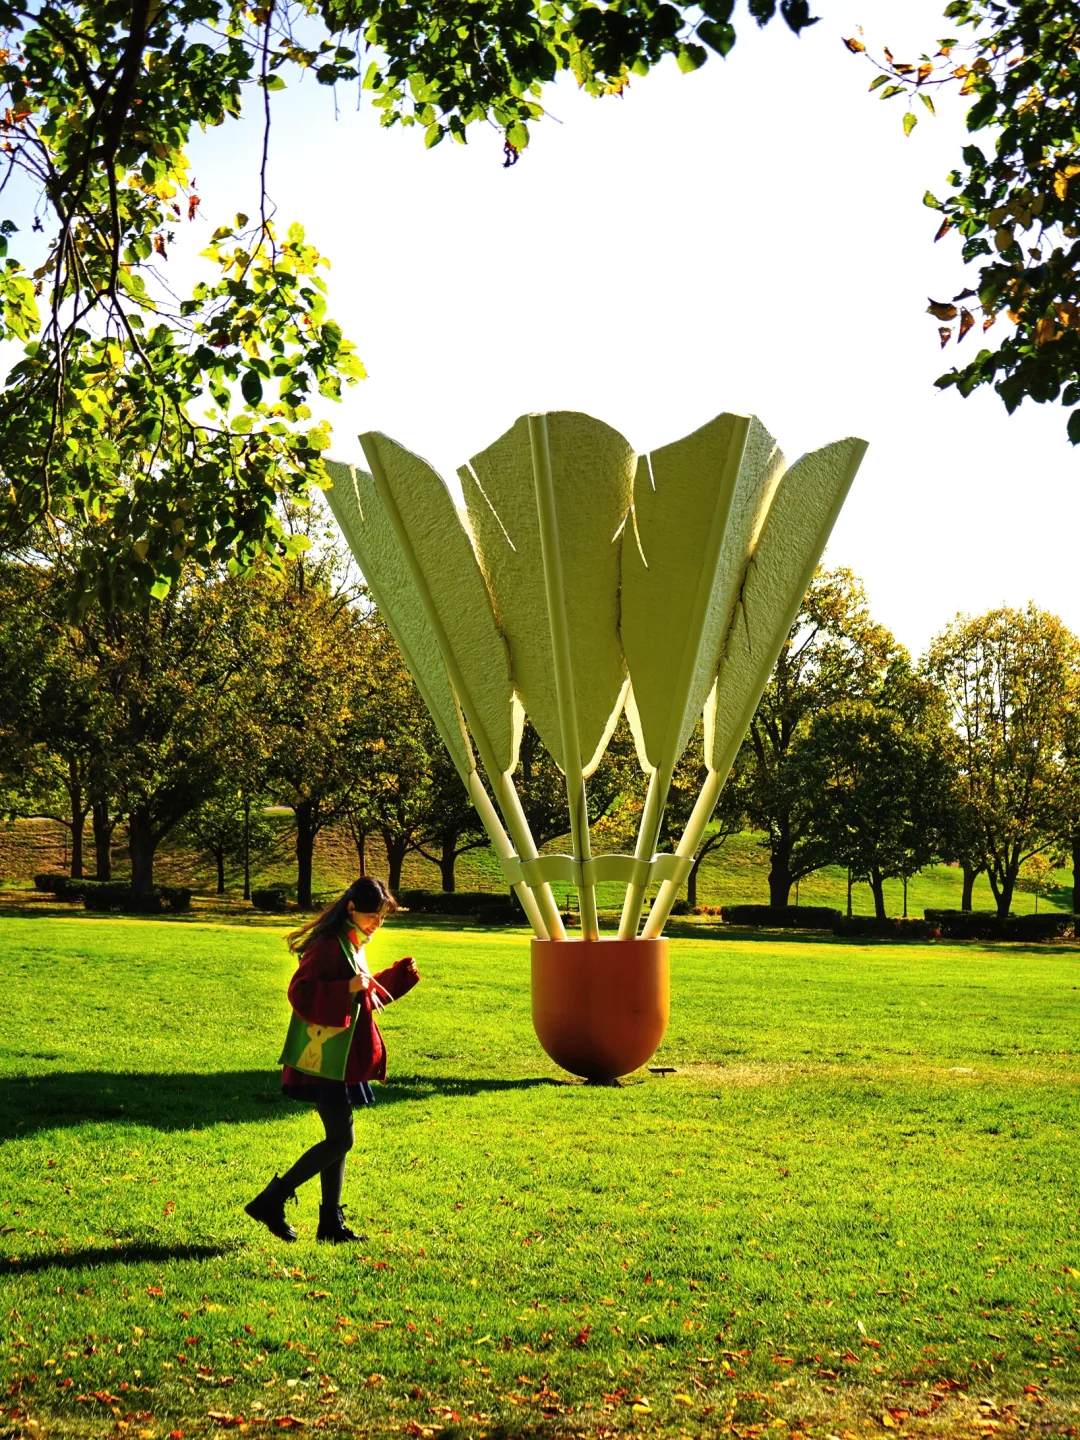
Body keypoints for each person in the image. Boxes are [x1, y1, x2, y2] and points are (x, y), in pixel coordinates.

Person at [245, 876, 419, 1244]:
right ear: (352, 908)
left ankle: (330, 1225)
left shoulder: (352, 943)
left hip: (342, 1059)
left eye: (382, 917)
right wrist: (349, 988)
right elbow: (300, 992)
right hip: (325, 1059)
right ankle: (271, 1200)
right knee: (340, 1140)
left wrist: (397, 978)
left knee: (339, 1138)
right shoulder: (327, 945)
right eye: (373, 915)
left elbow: (362, 997)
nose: (377, 923)